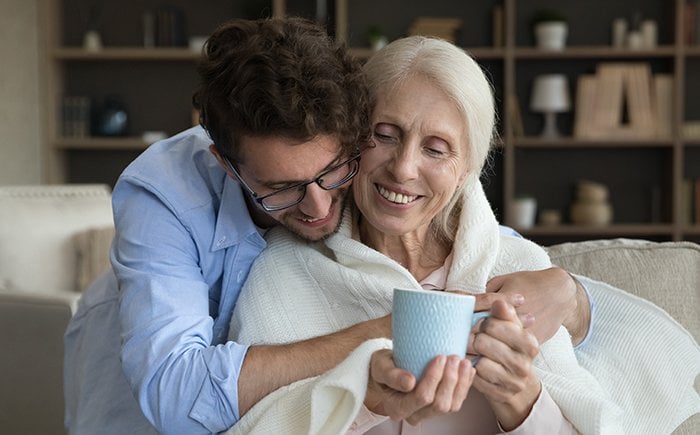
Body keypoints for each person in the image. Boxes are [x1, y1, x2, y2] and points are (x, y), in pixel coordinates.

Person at [64, 17, 592, 434]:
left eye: (332, 172)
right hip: (137, 393)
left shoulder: (474, 242)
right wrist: (385, 337)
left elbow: (512, 265)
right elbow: (175, 398)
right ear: (227, 165)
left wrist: (570, 293)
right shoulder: (168, 194)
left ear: (350, 130)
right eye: (281, 189)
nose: (318, 208)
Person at [224, 35, 700, 434]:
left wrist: (523, 402)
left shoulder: (513, 269)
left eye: (436, 149)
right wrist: (365, 402)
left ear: (467, 168)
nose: (404, 168)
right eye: (384, 134)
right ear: (350, 137)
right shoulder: (286, 270)